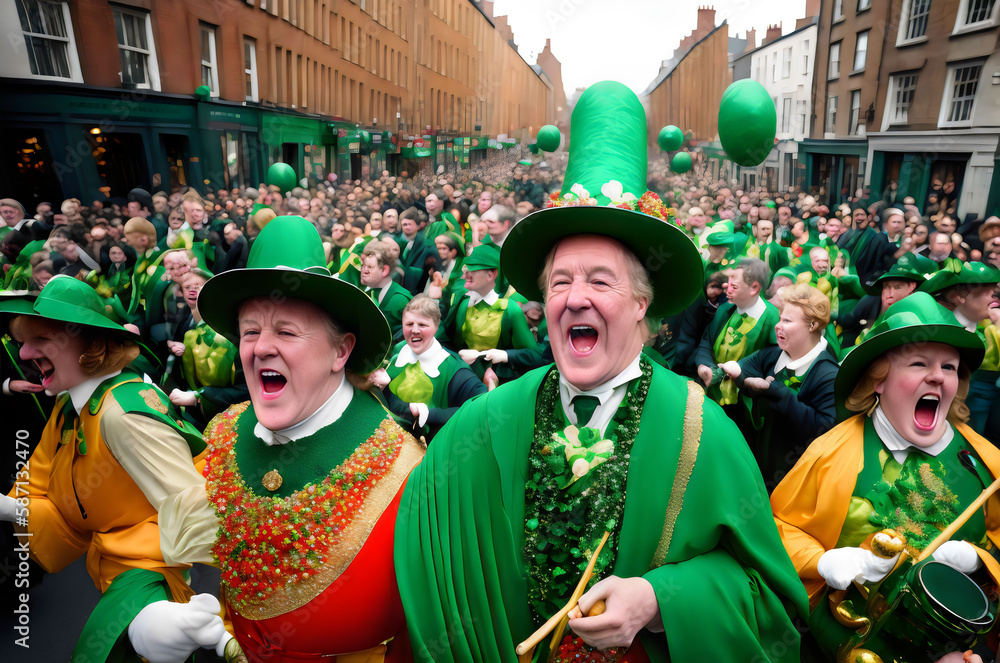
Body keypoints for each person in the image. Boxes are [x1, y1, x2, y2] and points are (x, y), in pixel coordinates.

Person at [395, 80, 807, 663]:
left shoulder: (705, 434)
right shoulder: (486, 422)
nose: (576, 297)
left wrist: (660, 599)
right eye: (560, 281)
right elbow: (412, 532)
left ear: (643, 304)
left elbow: (772, 606)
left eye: (600, 280)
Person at [156, 215, 423, 662]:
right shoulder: (223, 433)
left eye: (285, 331)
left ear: (341, 351)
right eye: (250, 331)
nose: (260, 348)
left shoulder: (410, 474)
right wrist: (159, 611)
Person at [0, 276, 228, 663]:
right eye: (22, 341)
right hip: (115, 570)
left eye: (41, 339)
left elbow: (198, 512)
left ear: (90, 343)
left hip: (153, 579)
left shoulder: (121, 415)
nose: (24, 354)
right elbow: (45, 490)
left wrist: (165, 610)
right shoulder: (69, 406)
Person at [772, 292, 1000, 662]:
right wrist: (822, 561)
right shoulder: (829, 453)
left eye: (949, 367)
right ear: (879, 379)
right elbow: (778, 527)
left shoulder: (987, 466)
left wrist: (979, 560)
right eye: (919, 363)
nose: (937, 378)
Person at [720, 283, 838, 489]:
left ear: (812, 326)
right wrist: (741, 377)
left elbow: (825, 430)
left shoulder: (827, 374)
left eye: (787, 320)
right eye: (780, 317)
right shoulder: (774, 355)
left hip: (795, 482)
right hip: (760, 468)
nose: (778, 325)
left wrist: (779, 394)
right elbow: (748, 368)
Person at [373, 294, 486, 439]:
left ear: (435, 327)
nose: (414, 330)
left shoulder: (455, 369)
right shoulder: (400, 349)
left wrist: (429, 413)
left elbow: (480, 410)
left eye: (422, 325)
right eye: (409, 324)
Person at [695, 257, 779, 407]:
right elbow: (706, 341)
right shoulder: (725, 309)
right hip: (711, 394)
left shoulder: (771, 318)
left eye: (734, 286)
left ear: (754, 288)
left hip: (742, 402)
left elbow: (773, 359)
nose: (727, 289)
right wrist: (704, 366)